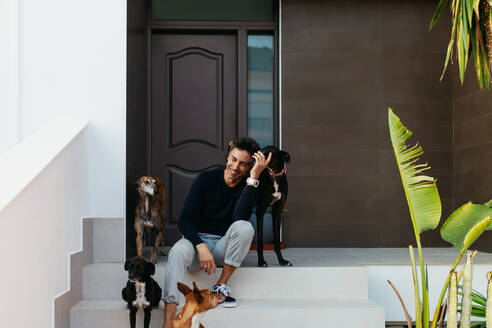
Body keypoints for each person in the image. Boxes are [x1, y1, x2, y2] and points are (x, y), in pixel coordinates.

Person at [162, 137, 271, 328]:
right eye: (234, 159)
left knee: (245, 227)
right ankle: (168, 320)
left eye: (244, 164)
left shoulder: (250, 187)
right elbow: (185, 220)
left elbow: (239, 217)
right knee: (177, 252)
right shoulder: (206, 179)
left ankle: (221, 285)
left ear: (250, 166)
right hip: (195, 244)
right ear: (228, 156)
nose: (236, 167)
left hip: (223, 248)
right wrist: (200, 245)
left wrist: (253, 177)